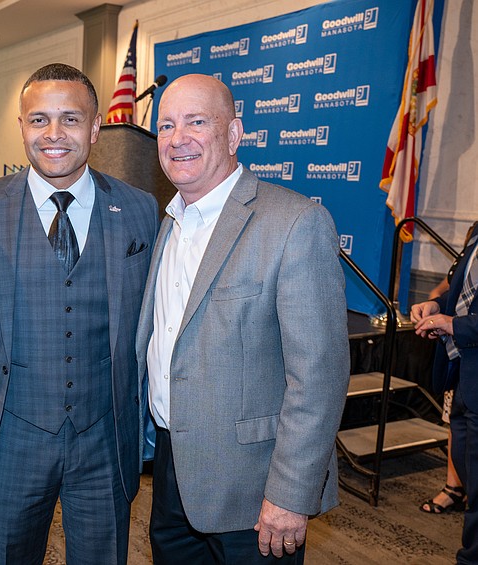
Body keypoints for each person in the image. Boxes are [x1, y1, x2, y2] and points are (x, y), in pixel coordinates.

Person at [0, 63, 158, 564]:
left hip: (104, 437)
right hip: (8, 438)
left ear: (96, 127)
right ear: (21, 127)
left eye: (70, 119)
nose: (53, 134)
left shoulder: (140, 208)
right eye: (39, 119)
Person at [136, 74, 350, 564]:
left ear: (233, 134)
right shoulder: (169, 223)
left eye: (196, 122)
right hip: (171, 474)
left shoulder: (294, 222)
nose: (177, 138)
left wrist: (290, 494)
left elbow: (318, 377)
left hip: (255, 493)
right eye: (166, 125)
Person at [411, 221, 478, 564]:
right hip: (464, 379)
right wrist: (437, 306)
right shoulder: (476, 234)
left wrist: (453, 325)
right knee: (471, 481)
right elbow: (463, 293)